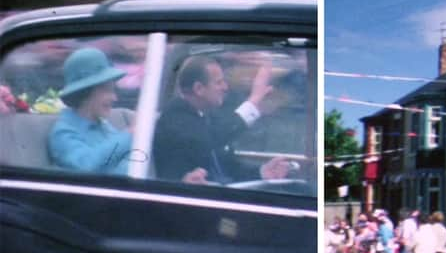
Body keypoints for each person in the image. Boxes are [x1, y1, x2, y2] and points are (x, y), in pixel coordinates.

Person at [153, 56, 289, 184]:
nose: (225, 87)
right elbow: (212, 137)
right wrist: (254, 101)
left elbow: (228, 168)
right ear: (199, 89)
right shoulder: (175, 116)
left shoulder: (209, 116)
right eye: (219, 82)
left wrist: (261, 172)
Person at [48, 48, 134, 175]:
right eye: (107, 90)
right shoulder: (64, 133)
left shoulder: (104, 126)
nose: (114, 98)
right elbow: (86, 165)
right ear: (85, 93)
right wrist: (130, 134)